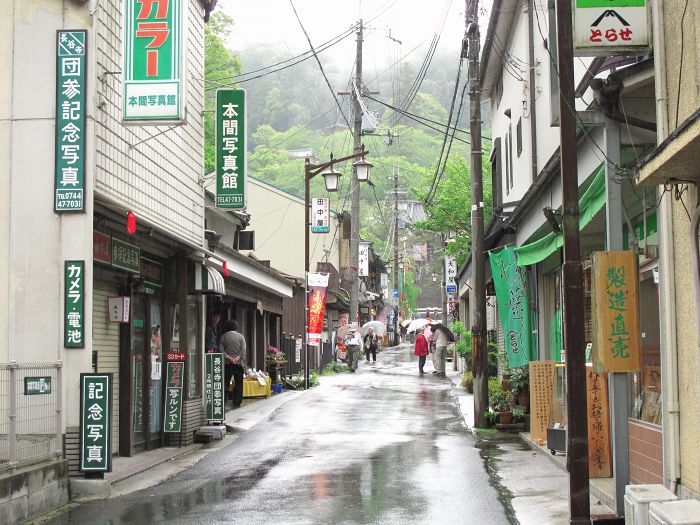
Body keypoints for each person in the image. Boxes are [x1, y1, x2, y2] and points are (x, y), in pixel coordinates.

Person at [219, 320, 247, 408]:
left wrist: (229, 358)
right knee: (239, 383)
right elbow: (243, 350)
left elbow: (221, 350)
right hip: (238, 364)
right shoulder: (241, 337)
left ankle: (224, 400)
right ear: (236, 327)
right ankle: (237, 401)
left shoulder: (223, 337)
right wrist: (237, 358)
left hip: (227, 363)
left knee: (225, 382)